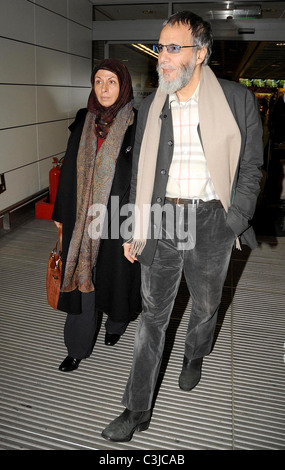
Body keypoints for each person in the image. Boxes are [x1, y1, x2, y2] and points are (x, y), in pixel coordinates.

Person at [101, 11, 263, 442]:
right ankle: (136, 409)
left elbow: (251, 167)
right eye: (160, 47)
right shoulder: (155, 103)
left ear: (201, 53)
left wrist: (235, 219)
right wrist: (136, 228)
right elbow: (140, 172)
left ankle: (196, 353)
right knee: (152, 316)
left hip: (212, 220)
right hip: (162, 218)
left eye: (174, 48)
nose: (163, 57)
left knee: (207, 304)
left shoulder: (236, 99)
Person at [52, 59, 141, 372]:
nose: (104, 89)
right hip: (82, 220)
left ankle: (116, 325)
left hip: (119, 217)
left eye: (112, 82)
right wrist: (61, 214)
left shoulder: (137, 124)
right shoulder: (82, 120)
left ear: (124, 85)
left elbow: (142, 177)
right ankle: (76, 347)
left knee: (117, 280)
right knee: (81, 279)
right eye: (99, 81)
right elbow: (67, 173)